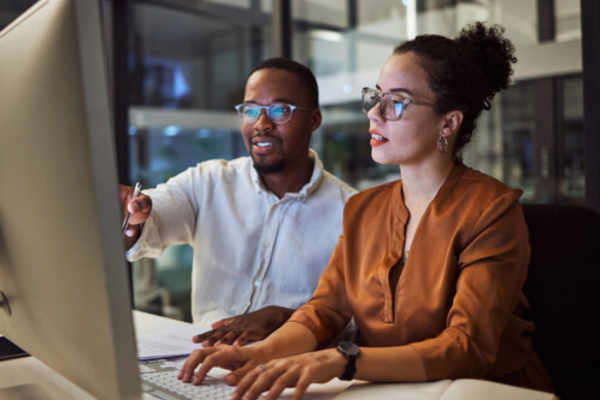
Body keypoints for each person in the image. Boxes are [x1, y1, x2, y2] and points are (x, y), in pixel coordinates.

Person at [177, 22, 555, 400]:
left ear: (448, 122)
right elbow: (324, 310)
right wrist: (255, 354)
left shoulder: (491, 210)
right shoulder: (364, 208)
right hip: (386, 391)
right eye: (375, 96)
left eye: (396, 101)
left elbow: (466, 348)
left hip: (482, 392)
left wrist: (342, 361)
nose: (374, 113)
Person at [120, 57, 357, 345]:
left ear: (314, 120)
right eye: (251, 110)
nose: (261, 124)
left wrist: (288, 318)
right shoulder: (208, 181)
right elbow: (153, 221)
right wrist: (132, 213)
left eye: (280, 110)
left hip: (291, 369)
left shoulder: (352, 211)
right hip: (205, 357)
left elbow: (359, 320)